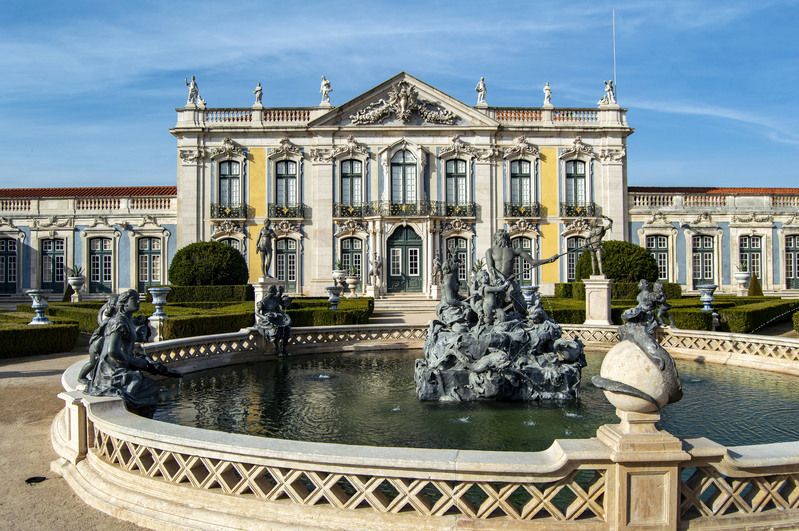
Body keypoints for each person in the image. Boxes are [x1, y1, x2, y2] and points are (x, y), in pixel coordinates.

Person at [85, 290, 178, 406]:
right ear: (125, 303)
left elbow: (126, 347)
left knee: (151, 388)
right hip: (111, 370)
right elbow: (112, 351)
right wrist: (134, 361)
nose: (138, 301)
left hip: (120, 365)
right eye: (134, 299)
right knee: (149, 389)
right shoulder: (118, 322)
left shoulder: (126, 320)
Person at [484, 229, 559, 314]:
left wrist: (549, 260)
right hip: (496, 282)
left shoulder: (514, 250)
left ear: (508, 238)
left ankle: (522, 319)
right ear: (495, 238)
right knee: (493, 304)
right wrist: (502, 278)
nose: (502, 237)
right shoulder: (490, 251)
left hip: (511, 282)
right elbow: (491, 268)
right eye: (500, 235)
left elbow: (533, 262)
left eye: (504, 235)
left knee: (520, 306)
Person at [256, 285, 292, 355]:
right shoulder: (262, 302)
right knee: (275, 328)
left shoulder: (275, 299)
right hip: (267, 319)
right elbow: (257, 313)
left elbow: (279, 309)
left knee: (287, 328)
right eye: (274, 292)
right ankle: (276, 348)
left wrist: (282, 314)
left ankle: (284, 348)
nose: (275, 294)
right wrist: (264, 317)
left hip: (276, 316)